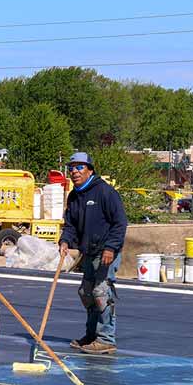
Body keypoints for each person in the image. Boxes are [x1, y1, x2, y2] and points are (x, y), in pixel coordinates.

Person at [58, 151, 127, 354]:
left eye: (79, 167)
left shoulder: (105, 192)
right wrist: (65, 240)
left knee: (101, 292)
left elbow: (120, 223)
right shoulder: (74, 196)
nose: (74, 171)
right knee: (86, 293)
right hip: (88, 251)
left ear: (90, 170)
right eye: (71, 168)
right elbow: (70, 225)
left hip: (106, 252)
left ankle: (106, 338)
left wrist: (110, 247)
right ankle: (91, 335)